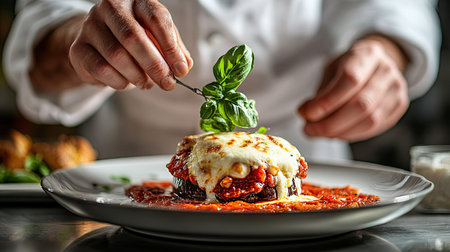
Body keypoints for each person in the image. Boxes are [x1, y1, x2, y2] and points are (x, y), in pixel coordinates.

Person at [3, 0, 441, 161]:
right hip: (127, 175)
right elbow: (45, 22)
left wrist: (385, 49)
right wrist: (78, 42)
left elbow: (398, 8)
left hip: (305, 165)